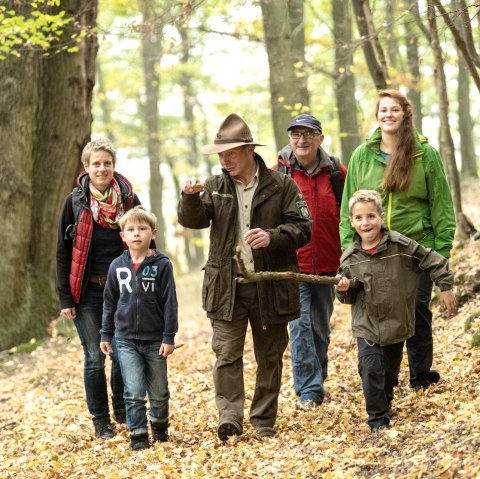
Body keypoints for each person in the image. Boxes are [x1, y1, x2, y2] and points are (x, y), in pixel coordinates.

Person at [177, 113, 312, 440]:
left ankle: (264, 419)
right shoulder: (214, 186)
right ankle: (230, 418)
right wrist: (190, 197)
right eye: (220, 155)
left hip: (270, 284)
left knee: (269, 356)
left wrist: (273, 236)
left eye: (231, 153)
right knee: (226, 354)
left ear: (250, 149)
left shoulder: (282, 185)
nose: (224, 160)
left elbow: (303, 228)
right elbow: (193, 221)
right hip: (226, 286)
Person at [339, 89, 456, 391]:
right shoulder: (361, 156)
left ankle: (421, 376)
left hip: (416, 249)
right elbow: (346, 210)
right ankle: (381, 380)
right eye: (383, 110)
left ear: (405, 115)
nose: (388, 115)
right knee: (376, 315)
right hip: (371, 252)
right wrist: (348, 254)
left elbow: (441, 205)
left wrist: (440, 254)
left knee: (416, 310)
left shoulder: (424, 154)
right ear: (376, 115)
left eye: (395, 110)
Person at [336, 190, 456, 432]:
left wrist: (446, 286)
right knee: (369, 369)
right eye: (359, 218)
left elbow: (431, 259)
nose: (365, 222)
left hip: (396, 321)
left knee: (388, 372)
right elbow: (345, 296)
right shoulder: (350, 259)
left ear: (381, 217)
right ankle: (378, 419)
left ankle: (386, 398)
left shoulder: (401, 246)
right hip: (367, 325)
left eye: (370, 216)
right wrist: (343, 288)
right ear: (352, 222)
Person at [56, 138, 144, 439]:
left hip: (123, 290)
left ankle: (122, 409)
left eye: (107, 163)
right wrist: (65, 297)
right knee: (95, 357)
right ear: (86, 167)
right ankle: (100, 421)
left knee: (122, 353)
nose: (102, 168)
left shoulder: (130, 200)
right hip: (88, 292)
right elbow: (62, 253)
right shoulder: (75, 202)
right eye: (96, 163)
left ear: (113, 166)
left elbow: (147, 244)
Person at [276, 113, 347, 410]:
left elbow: (350, 214)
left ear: (320, 138)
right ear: (290, 138)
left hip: (330, 262)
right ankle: (309, 389)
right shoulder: (278, 175)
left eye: (308, 134)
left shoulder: (336, 173)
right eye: (296, 134)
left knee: (320, 326)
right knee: (300, 325)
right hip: (294, 265)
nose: (302, 140)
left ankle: (317, 373)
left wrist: (349, 257)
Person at [100, 206, 178, 451]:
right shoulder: (116, 266)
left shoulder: (162, 265)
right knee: (133, 392)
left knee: (159, 392)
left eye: (142, 229)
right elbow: (109, 302)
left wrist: (169, 336)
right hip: (125, 341)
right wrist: (106, 334)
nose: (136, 234)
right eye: (131, 229)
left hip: (155, 339)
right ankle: (139, 436)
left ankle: (159, 428)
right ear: (122, 236)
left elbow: (170, 303)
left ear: (152, 233)